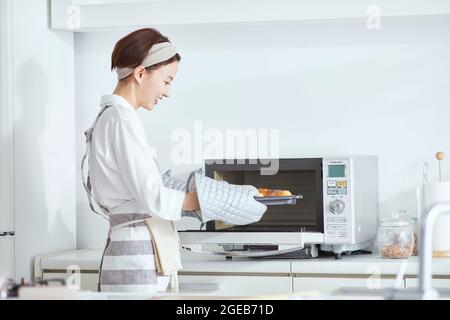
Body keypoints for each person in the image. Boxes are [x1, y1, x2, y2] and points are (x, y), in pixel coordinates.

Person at [82, 28, 267, 294]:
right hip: (136, 258)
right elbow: (153, 197)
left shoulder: (110, 117)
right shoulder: (122, 120)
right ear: (140, 73)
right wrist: (219, 199)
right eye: (167, 81)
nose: (168, 92)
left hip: (131, 253)